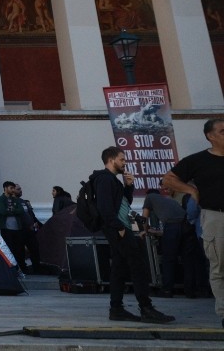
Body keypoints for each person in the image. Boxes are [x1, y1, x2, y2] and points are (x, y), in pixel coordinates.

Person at [93, 146, 174, 323]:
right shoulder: (105, 179)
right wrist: (119, 228)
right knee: (139, 266)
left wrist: (128, 187)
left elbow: (124, 204)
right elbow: (105, 208)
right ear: (111, 159)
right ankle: (146, 308)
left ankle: (117, 309)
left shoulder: (113, 180)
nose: (124, 163)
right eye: (121, 159)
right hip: (119, 229)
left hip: (120, 228)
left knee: (119, 269)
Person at [163, 117, 224, 327]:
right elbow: (169, 179)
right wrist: (192, 190)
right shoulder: (198, 161)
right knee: (219, 266)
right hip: (216, 217)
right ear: (210, 136)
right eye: (223, 131)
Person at [142, 187, 187, 297]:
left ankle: (167, 290)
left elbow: (144, 218)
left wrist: (145, 230)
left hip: (172, 227)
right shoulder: (168, 200)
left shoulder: (149, 197)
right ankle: (191, 290)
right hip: (187, 226)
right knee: (187, 259)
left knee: (168, 260)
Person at [0, 181, 26, 272]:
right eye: (11, 188)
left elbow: (21, 210)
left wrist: (10, 210)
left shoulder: (15, 199)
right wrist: (13, 210)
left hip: (17, 228)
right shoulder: (0, 199)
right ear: (5, 188)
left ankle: (22, 268)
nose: (13, 190)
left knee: (19, 249)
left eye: (13, 188)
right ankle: (11, 268)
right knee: (9, 248)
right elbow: (3, 211)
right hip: (6, 229)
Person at [14, 184, 41, 274]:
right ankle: (23, 269)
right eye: (18, 189)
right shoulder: (13, 202)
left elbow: (30, 214)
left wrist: (35, 222)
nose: (20, 190)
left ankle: (37, 268)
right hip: (20, 231)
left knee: (35, 249)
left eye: (20, 189)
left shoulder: (23, 201)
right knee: (20, 251)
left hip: (30, 230)